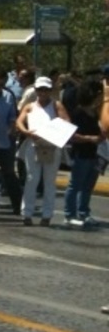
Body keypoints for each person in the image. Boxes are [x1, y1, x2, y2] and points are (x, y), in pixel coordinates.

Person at [15, 76, 67, 226]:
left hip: (51, 146)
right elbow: (19, 121)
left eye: (45, 89)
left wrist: (54, 131)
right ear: (36, 90)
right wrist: (27, 132)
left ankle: (47, 215)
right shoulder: (30, 106)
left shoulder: (57, 105)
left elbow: (67, 122)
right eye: (39, 89)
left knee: (49, 181)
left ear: (50, 90)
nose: (42, 92)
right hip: (34, 145)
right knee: (32, 179)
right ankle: (26, 214)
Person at [62, 76, 105, 229]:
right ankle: (69, 214)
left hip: (93, 154)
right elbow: (72, 136)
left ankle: (84, 212)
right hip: (81, 154)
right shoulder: (78, 113)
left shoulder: (95, 113)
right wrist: (90, 139)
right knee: (75, 185)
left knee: (88, 186)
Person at [0, 69, 22, 216]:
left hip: (4, 140)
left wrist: (12, 127)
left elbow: (12, 116)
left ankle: (17, 205)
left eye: (1, 84)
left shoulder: (8, 96)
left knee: (9, 172)